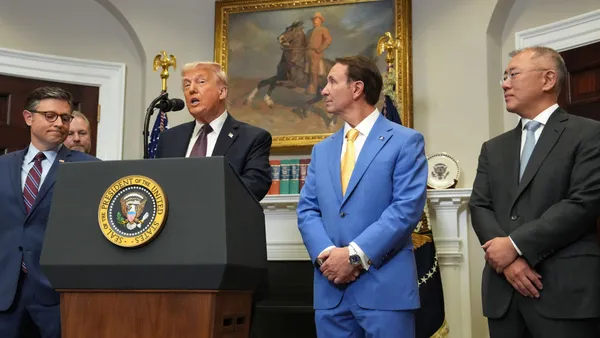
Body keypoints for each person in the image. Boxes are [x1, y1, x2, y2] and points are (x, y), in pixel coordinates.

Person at [470, 46, 600, 338]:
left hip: (564, 293)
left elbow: (584, 203)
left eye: (513, 74)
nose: (504, 83)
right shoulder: (493, 148)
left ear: (548, 79)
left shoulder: (589, 134)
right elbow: (480, 206)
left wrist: (514, 245)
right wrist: (509, 262)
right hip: (503, 293)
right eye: (504, 76)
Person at [296, 55, 428, 337]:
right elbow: (307, 210)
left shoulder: (406, 141)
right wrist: (327, 257)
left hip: (385, 291)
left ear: (357, 89)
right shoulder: (322, 150)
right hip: (331, 292)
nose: (324, 90)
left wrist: (354, 257)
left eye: (332, 81)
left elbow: (405, 210)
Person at [0, 86, 99, 338]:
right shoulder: (3, 166)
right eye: (50, 116)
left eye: (65, 118)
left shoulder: (90, 169)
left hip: (57, 292)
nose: (59, 123)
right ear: (28, 117)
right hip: (5, 291)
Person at [156, 61, 272, 201]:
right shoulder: (169, 139)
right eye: (187, 85)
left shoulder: (252, 138)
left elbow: (255, 186)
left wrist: (206, 197)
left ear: (222, 92)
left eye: (201, 82)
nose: (191, 89)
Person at [305, 12, 332, 95]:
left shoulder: (323, 29)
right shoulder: (309, 31)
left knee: (313, 68)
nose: (314, 21)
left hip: (316, 53)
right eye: (313, 20)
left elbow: (328, 40)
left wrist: (320, 49)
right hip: (307, 52)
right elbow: (305, 41)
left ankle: (313, 87)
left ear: (320, 21)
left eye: (316, 19)